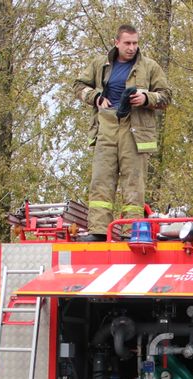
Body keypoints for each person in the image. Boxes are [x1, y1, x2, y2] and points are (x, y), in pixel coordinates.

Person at [73, 24, 172, 241]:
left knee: (133, 184)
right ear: (116, 42)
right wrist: (96, 97)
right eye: (127, 43)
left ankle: (132, 233)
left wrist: (147, 98)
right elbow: (78, 86)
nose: (132, 47)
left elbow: (166, 95)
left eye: (135, 43)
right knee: (101, 181)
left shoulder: (149, 67)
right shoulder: (100, 64)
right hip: (105, 126)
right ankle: (98, 231)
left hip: (134, 129)